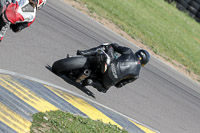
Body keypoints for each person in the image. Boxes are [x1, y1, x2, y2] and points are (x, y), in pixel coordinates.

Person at [77, 43, 150, 93]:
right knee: (104, 89)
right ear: (144, 63)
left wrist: (113, 51)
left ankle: (84, 53)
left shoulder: (129, 52)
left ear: (137, 53)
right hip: (110, 79)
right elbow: (119, 85)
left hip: (110, 64)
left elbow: (114, 45)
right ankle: (91, 82)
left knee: (107, 46)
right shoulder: (136, 75)